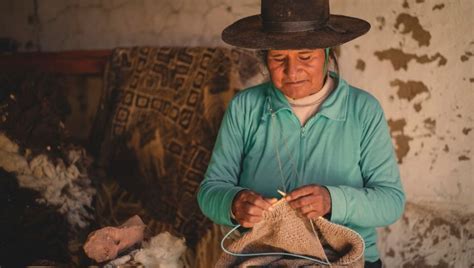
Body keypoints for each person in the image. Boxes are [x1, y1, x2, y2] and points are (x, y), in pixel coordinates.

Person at [197, 0, 405, 267]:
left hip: (342, 257)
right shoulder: (245, 107)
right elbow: (209, 191)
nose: (292, 71)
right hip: (262, 256)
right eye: (278, 58)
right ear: (265, 59)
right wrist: (234, 204)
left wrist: (332, 200)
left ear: (328, 55)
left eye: (305, 57)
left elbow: (391, 202)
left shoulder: (362, 109)